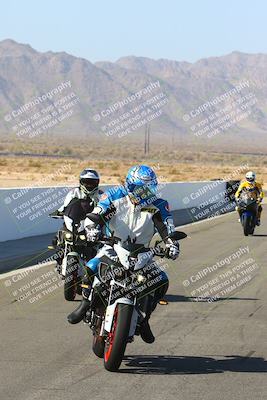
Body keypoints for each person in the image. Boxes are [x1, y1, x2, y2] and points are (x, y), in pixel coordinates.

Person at [67, 165, 180, 344]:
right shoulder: (115, 196)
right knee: (90, 268)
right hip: (113, 246)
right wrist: (91, 228)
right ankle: (85, 305)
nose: (143, 193)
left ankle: (144, 320)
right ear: (129, 185)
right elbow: (98, 214)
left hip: (142, 252)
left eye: (148, 189)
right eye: (139, 188)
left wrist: (172, 243)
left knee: (161, 281)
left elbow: (166, 227)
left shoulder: (158, 205)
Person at [50, 168, 102, 263]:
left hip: (92, 225)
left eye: (92, 182)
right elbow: (66, 205)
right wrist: (59, 211)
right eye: (86, 182)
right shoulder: (74, 192)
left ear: (97, 183)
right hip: (76, 221)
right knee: (59, 236)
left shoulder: (101, 195)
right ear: (81, 182)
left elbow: (105, 207)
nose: (89, 185)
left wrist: (106, 217)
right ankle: (59, 258)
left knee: (99, 244)